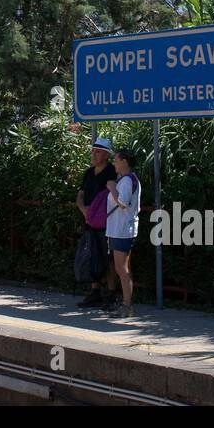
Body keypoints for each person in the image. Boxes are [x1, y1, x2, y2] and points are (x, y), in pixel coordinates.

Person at [75, 136, 119, 309]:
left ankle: (111, 294)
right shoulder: (88, 173)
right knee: (92, 254)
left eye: (98, 151)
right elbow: (80, 195)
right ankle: (95, 292)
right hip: (89, 221)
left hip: (106, 223)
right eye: (93, 151)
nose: (94, 154)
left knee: (108, 259)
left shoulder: (111, 172)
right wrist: (83, 209)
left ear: (106, 155)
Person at [105, 148, 141, 318]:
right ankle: (127, 302)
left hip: (122, 230)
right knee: (123, 268)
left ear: (125, 162)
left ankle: (127, 306)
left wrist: (112, 188)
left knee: (122, 268)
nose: (114, 163)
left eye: (116, 160)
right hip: (121, 229)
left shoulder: (126, 181)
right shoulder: (127, 179)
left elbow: (123, 203)